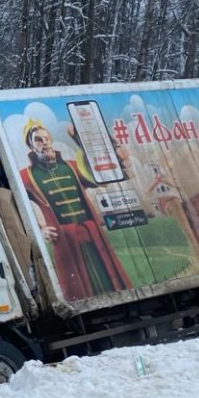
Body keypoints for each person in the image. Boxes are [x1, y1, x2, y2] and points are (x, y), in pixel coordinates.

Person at [20, 119, 131, 301]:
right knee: (79, 292)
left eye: (46, 138)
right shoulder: (25, 176)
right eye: (38, 140)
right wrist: (40, 229)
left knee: (108, 280)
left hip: (92, 235)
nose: (45, 142)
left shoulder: (71, 166)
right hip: (65, 242)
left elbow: (102, 173)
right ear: (31, 145)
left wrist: (79, 139)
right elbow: (18, 208)